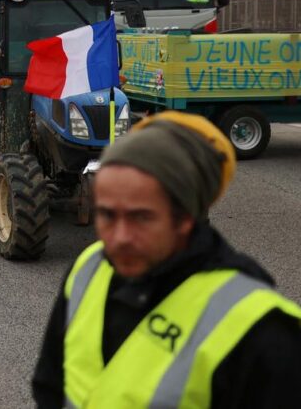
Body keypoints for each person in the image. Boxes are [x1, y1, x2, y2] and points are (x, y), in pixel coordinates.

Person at [32, 111, 301, 408]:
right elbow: (50, 388)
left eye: (141, 217)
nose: (119, 237)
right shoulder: (88, 269)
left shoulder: (264, 330)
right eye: (107, 214)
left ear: (185, 217)